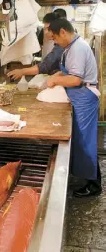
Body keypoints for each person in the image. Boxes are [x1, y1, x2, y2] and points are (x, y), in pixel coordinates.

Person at [46, 18, 102, 197]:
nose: (55, 41)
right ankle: (88, 177)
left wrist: (55, 80)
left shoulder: (77, 48)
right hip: (79, 97)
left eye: (55, 37)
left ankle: (93, 185)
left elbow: (76, 79)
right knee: (81, 141)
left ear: (63, 31)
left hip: (84, 98)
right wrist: (59, 73)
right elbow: (70, 72)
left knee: (85, 142)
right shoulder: (72, 46)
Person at [7, 12, 64, 80]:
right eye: (44, 29)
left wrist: (22, 71)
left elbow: (46, 65)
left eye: (48, 29)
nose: (45, 32)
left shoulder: (62, 46)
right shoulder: (59, 44)